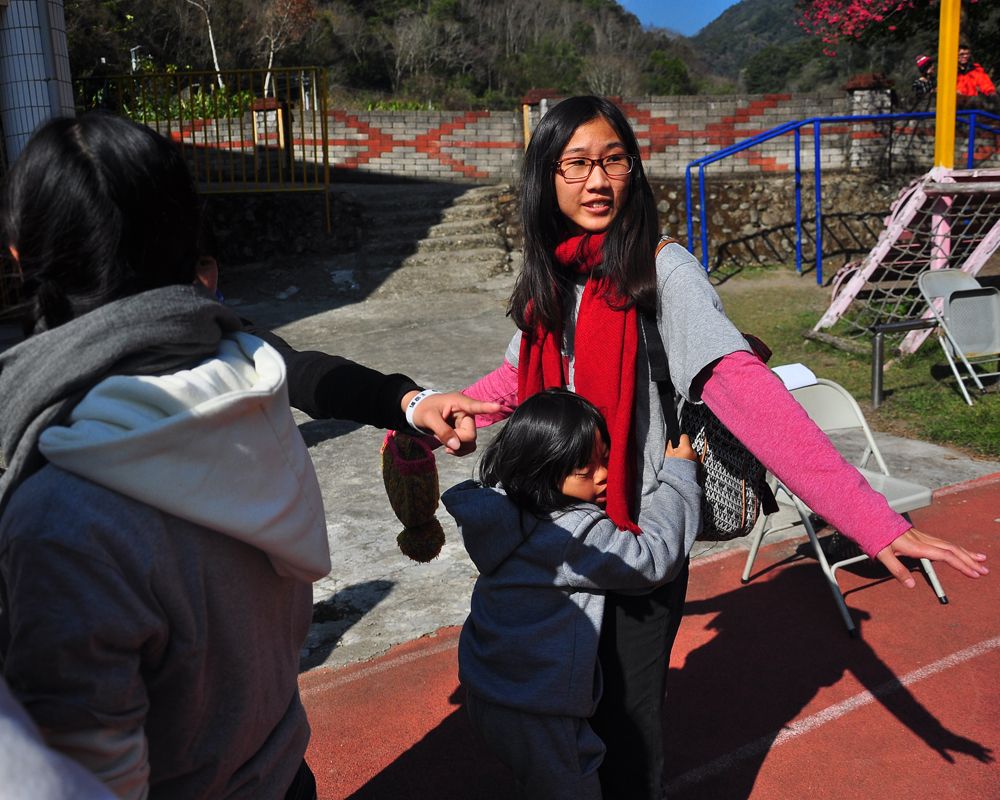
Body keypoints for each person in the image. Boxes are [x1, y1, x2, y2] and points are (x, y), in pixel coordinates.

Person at [460, 95, 989, 799]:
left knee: (626, 725)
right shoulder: (555, 274)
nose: (598, 181)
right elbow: (518, 368)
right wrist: (441, 408)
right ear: (546, 180)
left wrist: (867, 516)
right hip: (558, 531)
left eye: (615, 161)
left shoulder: (665, 273)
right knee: (563, 707)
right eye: (577, 164)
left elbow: (748, 391)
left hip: (635, 530)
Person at [0, 113, 494, 800]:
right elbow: (300, 371)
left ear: (20, 252)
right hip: (280, 765)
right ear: (187, 243)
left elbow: (85, 771)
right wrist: (406, 404)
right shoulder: (245, 377)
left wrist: (407, 401)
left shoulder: (63, 510)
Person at [441, 389, 701, 800]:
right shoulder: (571, 536)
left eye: (605, 458)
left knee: (535, 781)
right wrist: (677, 476)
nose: (603, 475)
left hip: (487, 691)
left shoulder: (498, 513)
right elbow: (651, 560)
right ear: (543, 470)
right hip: (540, 709)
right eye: (585, 469)